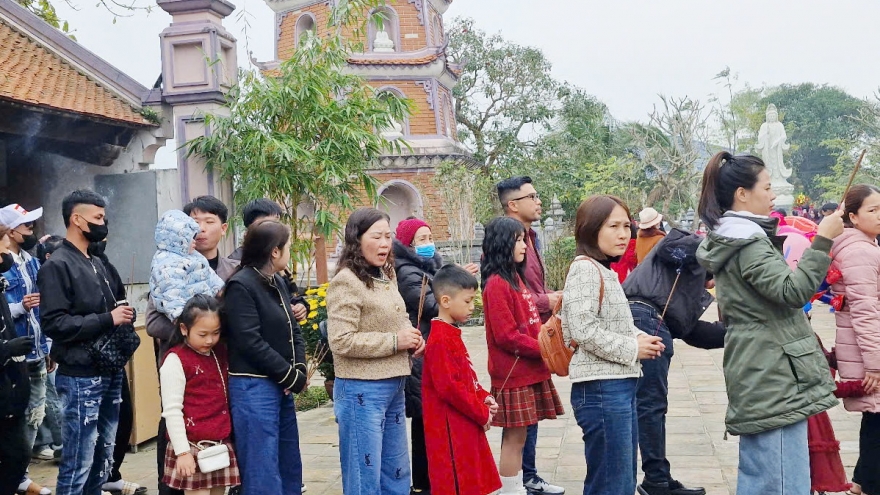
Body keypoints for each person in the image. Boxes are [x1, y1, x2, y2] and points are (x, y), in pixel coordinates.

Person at [696, 151, 843, 494]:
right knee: (780, 480)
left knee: (766, 475)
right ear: (742, 194)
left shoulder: (736, 237)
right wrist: (822, 240)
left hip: (762, 364)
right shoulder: (748, 243)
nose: (773, 194)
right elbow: (792, 292)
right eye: (767, 186)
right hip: (771, 370)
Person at [559, 196, 663, 495]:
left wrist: (639, 337)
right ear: (591, 229)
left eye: (626, 226)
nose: (623, 234)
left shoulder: (603, 269)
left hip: (618, 384)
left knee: (621, 480)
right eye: (613, 226)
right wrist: (633, 348)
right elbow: (583, 328)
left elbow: (611, 322)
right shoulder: (585, 269)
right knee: (611, 483)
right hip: (601, 388)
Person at [38, 189, 136, 495]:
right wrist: (109, 318)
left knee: (103, 456)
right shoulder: (57, 265)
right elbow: (55, 324)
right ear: (76, 219)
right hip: (81, 374)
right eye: (97, 218)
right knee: (79, 458)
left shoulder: (96, 260)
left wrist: (121, 316)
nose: (103, 223)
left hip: (109, 368)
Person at [327, 208, 424, 495]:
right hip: (361, 390)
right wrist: (396, 341)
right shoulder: (346, 281)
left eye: (388, 236)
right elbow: (342, 341)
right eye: (377, 237)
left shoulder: (385, 273)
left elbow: (398, 315)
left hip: (394, 384)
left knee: (396, 470)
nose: (385, 244)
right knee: (364, 475)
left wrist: (413, 339)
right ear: (356, 240)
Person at [622, 228, 727, 495]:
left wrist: (741, 333)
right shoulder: (679, 255)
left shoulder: (681, 287)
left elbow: (692, 333)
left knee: (651, 404)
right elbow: (672, 245)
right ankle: (655, 481)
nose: (712, 284)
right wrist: (716, 251)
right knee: (650, 405)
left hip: (649, 320)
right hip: (643, 317)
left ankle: (658, 477)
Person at [147, 196, 239, 495]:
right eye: (194, 222)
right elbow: (152, 322)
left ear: (223, 228)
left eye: (208, 221)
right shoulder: (165, 267)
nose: (200, 229)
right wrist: (191, 333)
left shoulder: (231, 271)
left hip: (220, 374)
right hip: (186, 374)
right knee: (174, 437)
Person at [481, 216, 565, 495]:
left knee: (522, 434)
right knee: (514, 438)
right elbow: (506, 336)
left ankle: (515, 486)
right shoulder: (496, 284)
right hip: (514, 371)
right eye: (518, 240)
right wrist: (544, 348)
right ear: (502, 244)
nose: (525, 246)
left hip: (529, 369)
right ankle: (510, 489)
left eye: (524, 240)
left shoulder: (514, 277)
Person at [225, 218, 307, 494]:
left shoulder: (278, 281)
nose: (289, 253)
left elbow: (292, 327)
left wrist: (300, 369)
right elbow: (250, 341)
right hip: (253, 386)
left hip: (280, 384)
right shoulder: (241, 285)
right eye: (287, 248)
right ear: (274, 251)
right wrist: (288, 374)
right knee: (262, 465)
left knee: (288, 461)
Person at [422, 264, 501, 495]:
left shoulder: (450, 333)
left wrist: (484, 397)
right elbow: (449, 388)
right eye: (467, 301)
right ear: (445, 301)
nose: (472, 307)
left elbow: (466, 375)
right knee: (458, 484)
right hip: (449, 429)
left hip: (462, 422)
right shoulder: (439, 340)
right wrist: (480, 411)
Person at [159, 294, 240, 495]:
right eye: (202, 334)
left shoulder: (219, 352)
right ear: (184, 329)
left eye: (216, 333)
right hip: (192, 446)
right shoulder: (175, 360)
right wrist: (183, 452)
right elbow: (172, 411)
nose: (210, 340)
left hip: (220, 444)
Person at [830, 184, 880, 495]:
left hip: (867, 351)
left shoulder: (864, 246)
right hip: (870, 353)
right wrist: (875, 365)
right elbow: (865, 312)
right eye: (872, 210)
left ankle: (862, 482)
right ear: (853, 216)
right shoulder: (860, 250)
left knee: (875, 419)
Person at [0, 204, 52, 495]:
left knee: (34, 414)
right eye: (25, 227)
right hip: (9, 356)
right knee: (13, 422)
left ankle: (20, 472)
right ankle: (17, 474)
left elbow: (44, 308)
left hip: (34, 350)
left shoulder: (32, 263)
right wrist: (20, 307)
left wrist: (48, 346)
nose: (31, 231)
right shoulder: (4, 263)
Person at [0, 224, 35, 495]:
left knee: (19, 453)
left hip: (11, 389)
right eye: (1, 244)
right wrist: (6, 348)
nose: (5, 252)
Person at [150, 210, 224, 320]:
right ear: (177, 239)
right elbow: (171, 294)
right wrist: (181, 319)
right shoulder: (167, 263)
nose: (194, 241)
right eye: (190, 238)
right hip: (189, 316)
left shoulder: (195, 256)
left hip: (206, 308)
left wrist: (221, 289)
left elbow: (209, 275)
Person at [32, 236, 64, 462]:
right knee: (50, 395)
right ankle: (60, 442)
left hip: (50, 343)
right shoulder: (41, 275)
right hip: (43, 342)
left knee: (49, 394)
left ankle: (53, 442)